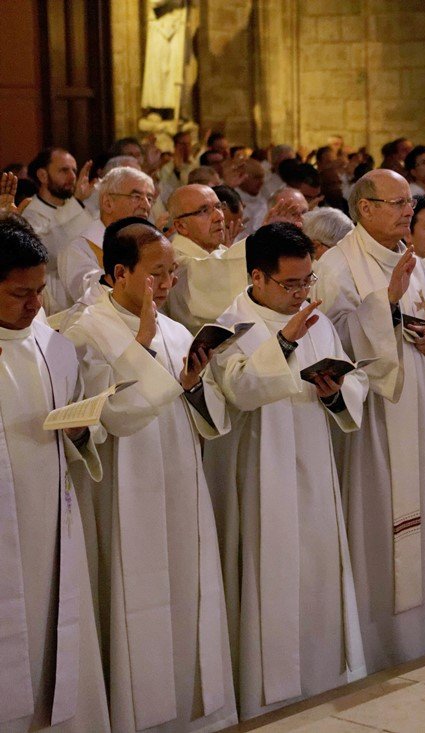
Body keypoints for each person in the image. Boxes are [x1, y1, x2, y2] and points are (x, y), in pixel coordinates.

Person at [67, 218, 237, 732]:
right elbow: (106, 415)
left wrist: (191, 383)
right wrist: (138, 347)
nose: (168, 285)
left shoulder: (176, 327)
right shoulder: (85, 330)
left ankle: (190, 709)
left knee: (186, 582)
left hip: (179, 473)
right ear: (120, 273)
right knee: (132, 590)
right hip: (126, 483)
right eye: (157, 274)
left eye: (172, 273)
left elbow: (201, 412)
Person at [204, 223, 367, 719]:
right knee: (267, 574)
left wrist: (335, 391)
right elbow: (239, 392)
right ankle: (264, 695)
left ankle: (323, 679)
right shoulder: (230, 325)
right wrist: (287, 344)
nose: (302, 294)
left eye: (307, 282)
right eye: (291, 284)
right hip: (261, 473)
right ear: (258, 275)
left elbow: (352, 381)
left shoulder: (316, 318)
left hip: (313, 466)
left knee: (317, 570)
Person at [315, 170, 425, 669]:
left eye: (409, 202)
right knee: (381, 518)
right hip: (374, 412)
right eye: (397, 203)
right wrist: (386, 305)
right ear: (365, 208)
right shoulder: (336, 265)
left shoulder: (408, 258)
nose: (407, 212)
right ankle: (379, 647)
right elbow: (327, 341)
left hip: (419, 401)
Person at [0, 214, 110, 732]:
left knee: (48, 628)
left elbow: (76, 423)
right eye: (20, 294)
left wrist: (81, 432)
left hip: (49, 525)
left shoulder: (53, 345)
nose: (35, 305)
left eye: (39, 290)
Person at [58, 166, 155, 309]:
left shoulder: (147, 245)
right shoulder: (79, 249)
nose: (146, 205)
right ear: (108, 203)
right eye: (136, 197)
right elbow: (92, 297)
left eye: (149, 198)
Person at [164, 183, 250, 334]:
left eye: (218, 207)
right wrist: (266, 241)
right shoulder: (176, 262)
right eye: (204, 211)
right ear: (181, 226)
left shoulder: (219, 251)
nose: (219, 216)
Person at [20, 148, 95, 311]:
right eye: (64, 170)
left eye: (74, 170)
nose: (72, 177)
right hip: (53, 304)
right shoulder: (30, 213)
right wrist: (77, 203)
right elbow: (51, 252)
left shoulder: (79, 207)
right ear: (42, 176)